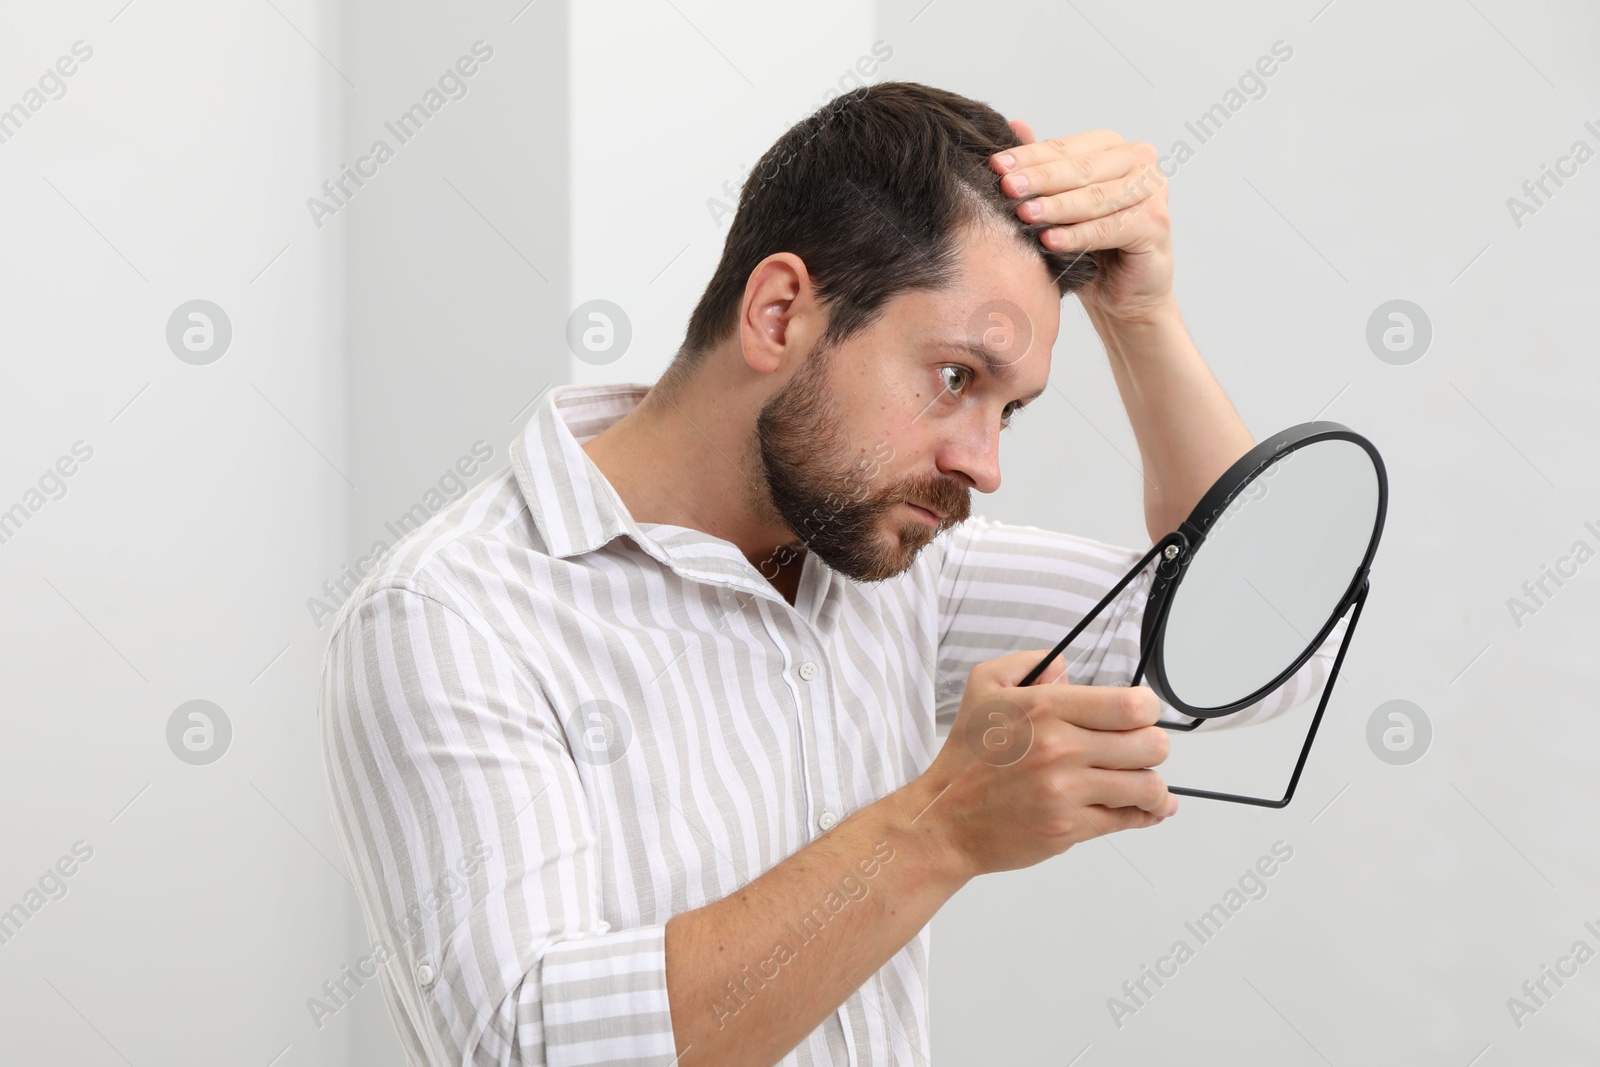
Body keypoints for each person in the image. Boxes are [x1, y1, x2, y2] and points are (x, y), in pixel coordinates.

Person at [318, 81, 1332, 1066]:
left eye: (1007, 408)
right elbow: (530, 1049)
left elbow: (1252, 650)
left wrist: (1142, 318)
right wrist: (936, 829)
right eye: (954, 378)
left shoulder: (895, 567)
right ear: (777, 313)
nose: (984, 462)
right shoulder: (454, 614)